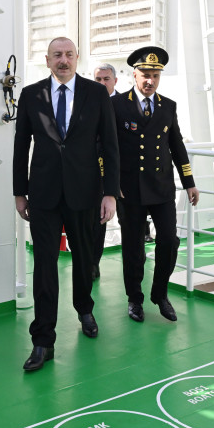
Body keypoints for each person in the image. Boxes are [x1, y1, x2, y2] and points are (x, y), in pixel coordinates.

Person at [13, 37, 119, 372]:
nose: (63, 60)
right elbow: (21, 145)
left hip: (85, 193)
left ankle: (84, 308)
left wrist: (110, 193)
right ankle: (43, 340)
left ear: (77, 58)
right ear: (47, 60)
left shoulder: (96, 93)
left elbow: (110, 145)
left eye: (69, 54)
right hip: (43, 194)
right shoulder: (31, 95)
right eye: (57, 55)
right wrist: (19, 191)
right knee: (44, 267)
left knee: (85, 258)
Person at [113, 46, 199, 324]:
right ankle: (135, 299)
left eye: (155, 76)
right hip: (129, 189)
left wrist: (189, 182)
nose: (150, 81)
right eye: (145, 75)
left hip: (161, 187)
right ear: (134, 75)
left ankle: (159, 294)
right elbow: (106, 148)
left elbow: (177, 146)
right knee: (133, 247)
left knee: (169, 241)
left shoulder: (168, 106)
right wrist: (110, 184)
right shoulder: (117, 105)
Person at [91, 63, 118, 279]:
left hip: (121, 175)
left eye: (106, 79)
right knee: (97, 221)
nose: (102, 83)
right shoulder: (86, 103)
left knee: (133, 225)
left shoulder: (124, 105)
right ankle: (93, 264)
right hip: (94, 173)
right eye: (98, 79)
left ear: (115, 81)